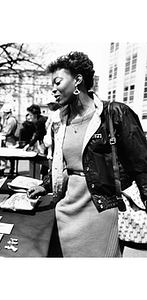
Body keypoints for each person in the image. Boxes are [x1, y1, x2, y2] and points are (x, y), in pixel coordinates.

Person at [27, 51, 147, 257]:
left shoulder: (115, 113)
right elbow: (65, 166)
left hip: (101, 210)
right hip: (67, 207)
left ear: (78, 81)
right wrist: (45, 185)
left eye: (58, 82)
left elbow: (142, 165)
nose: (53, 89)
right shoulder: (59, 121)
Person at [0, 103, 18, 175]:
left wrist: (1, 133)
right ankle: (5, 170)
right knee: (6, 156)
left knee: (10, 156)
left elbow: (7, 131)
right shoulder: (9, 119)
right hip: (9, 139)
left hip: (10, 140)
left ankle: (11, 170)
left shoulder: (11, 120)